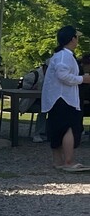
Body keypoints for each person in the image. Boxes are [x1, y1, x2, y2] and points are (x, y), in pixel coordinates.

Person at [41, 26, 89, 171]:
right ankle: (68, 161)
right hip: (64, 98)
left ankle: (58, 161)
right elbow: (63, 75)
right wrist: (82, 79)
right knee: (69, 128)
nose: (77, 40)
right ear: (72, 38)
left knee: (57, 128)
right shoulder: (64, 56)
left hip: (57, 98)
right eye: (76, 37)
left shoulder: (60, 55)